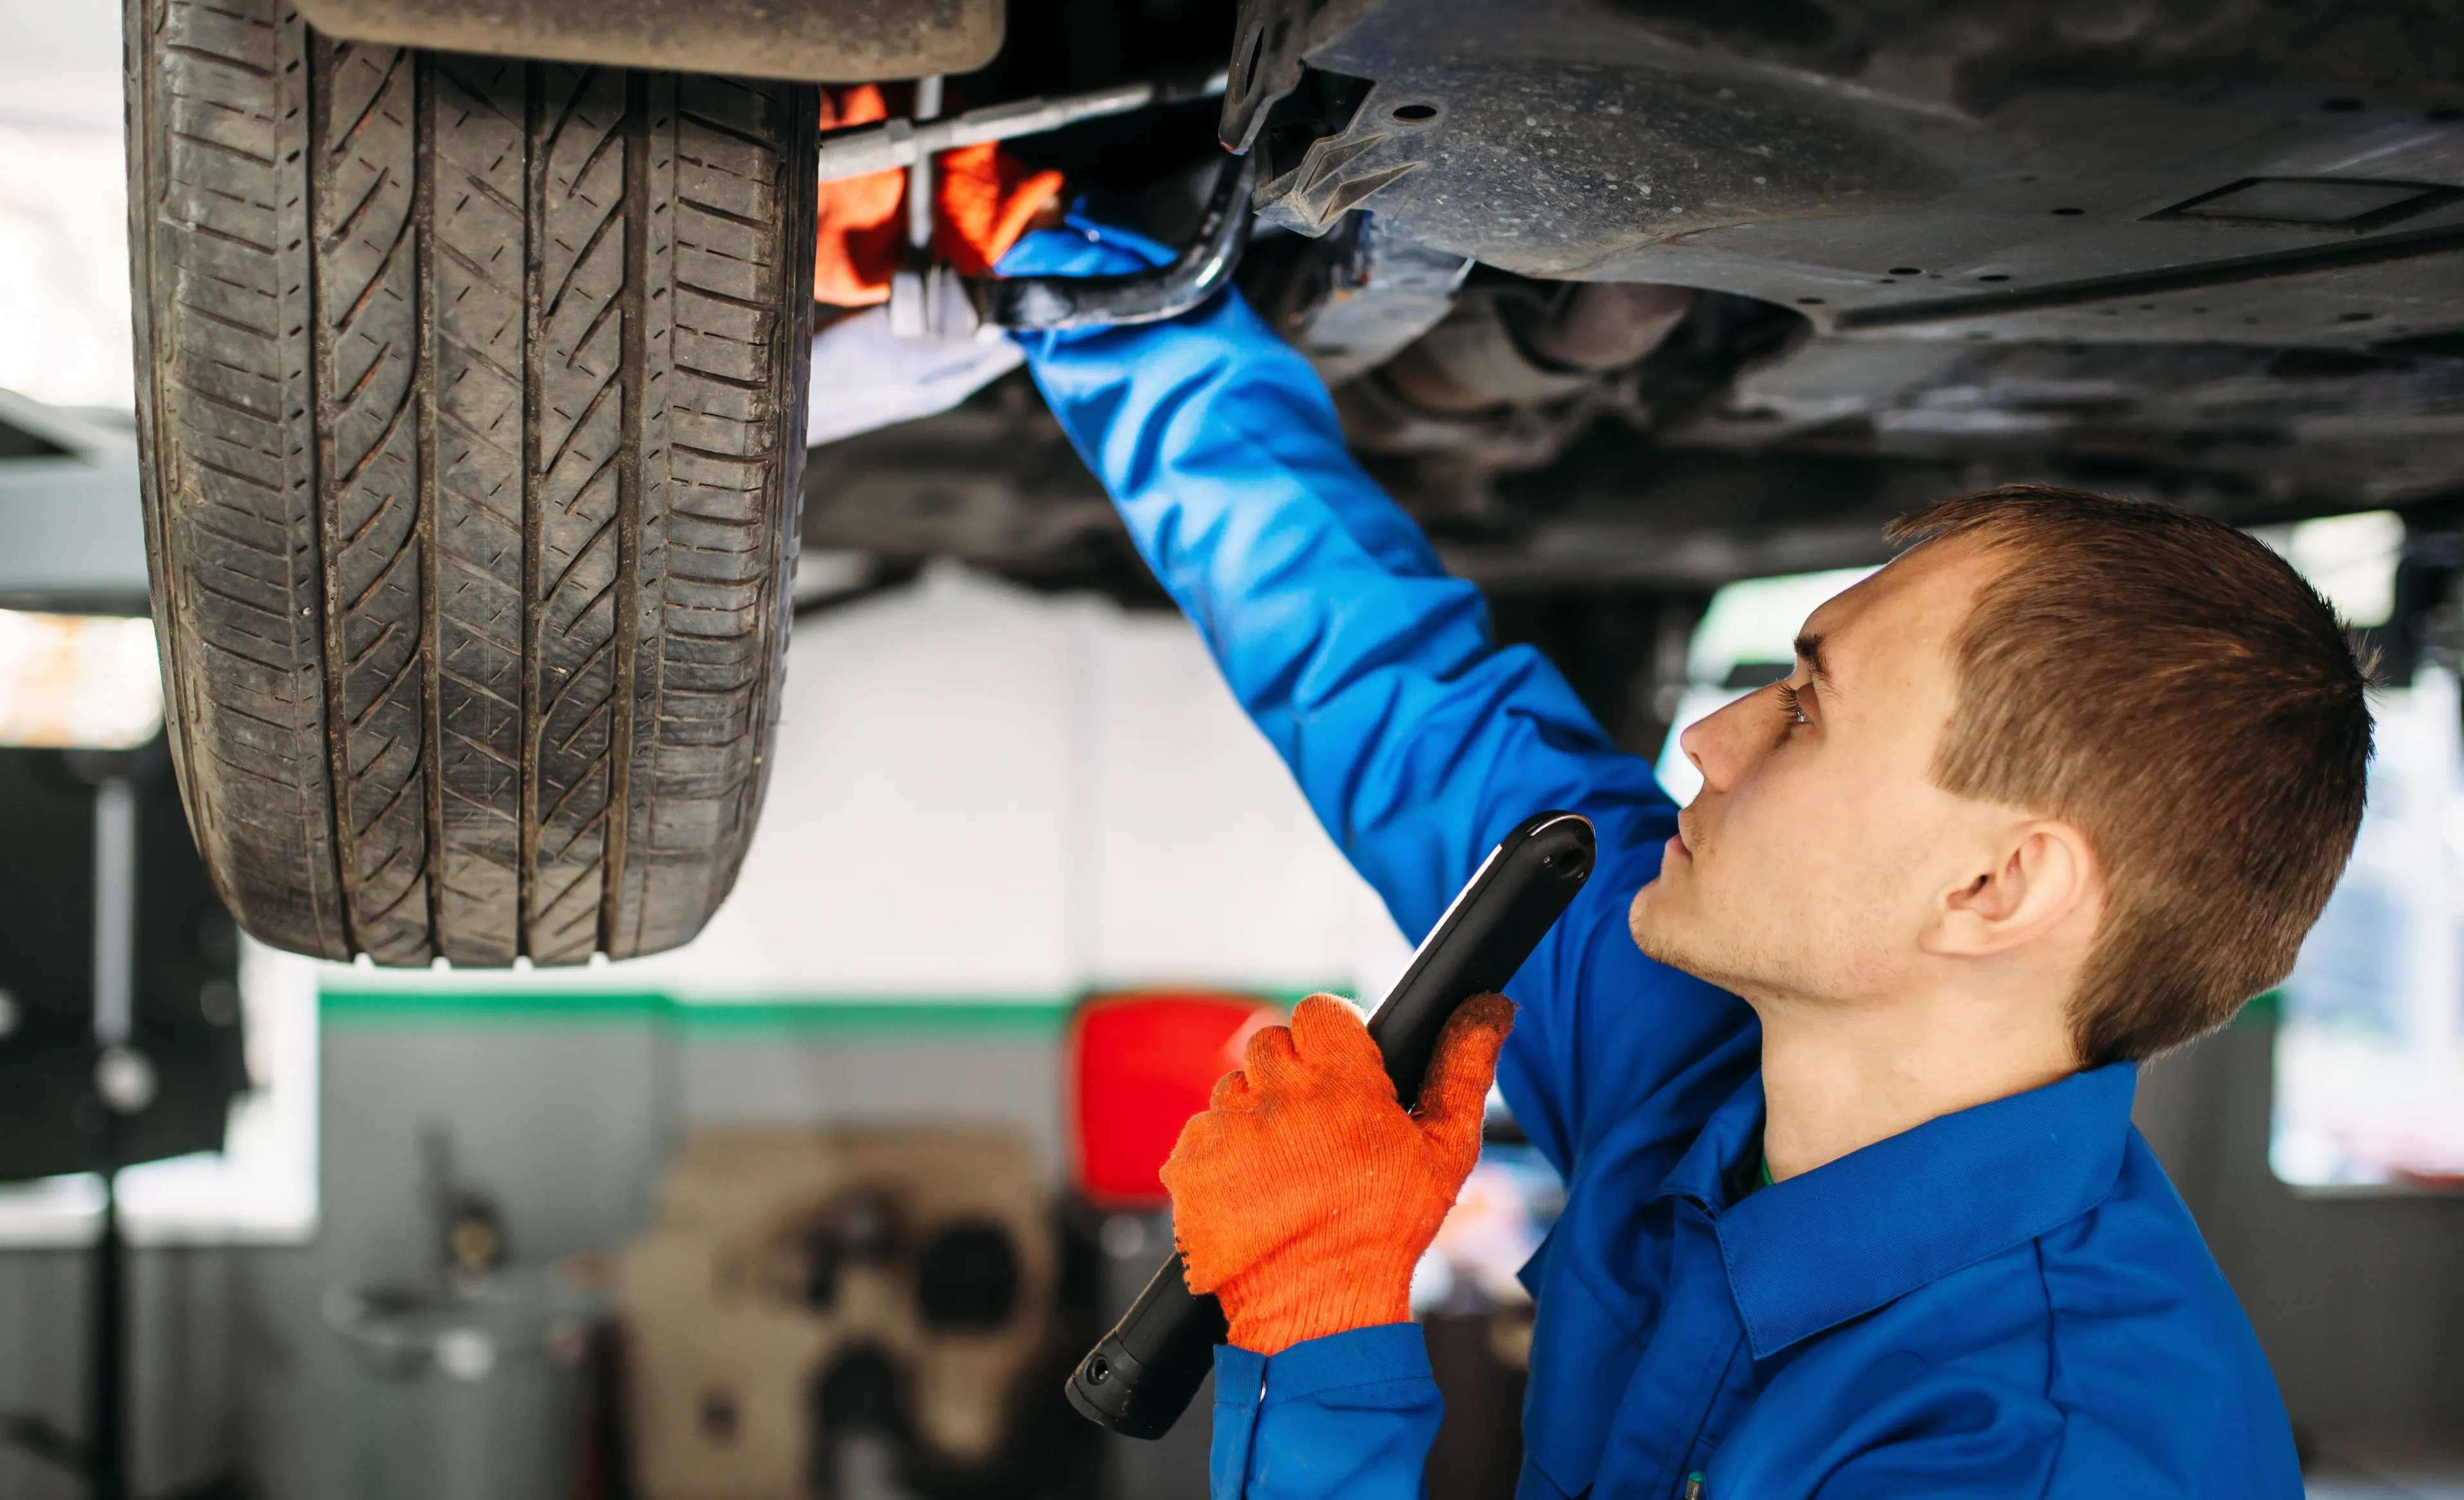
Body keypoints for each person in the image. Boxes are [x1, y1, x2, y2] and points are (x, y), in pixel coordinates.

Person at [836, 171, 2370, 1495]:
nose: (1709, 737)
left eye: (1809, 710)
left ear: (1993, 885)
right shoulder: (1710, 1064)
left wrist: (1322, 1330)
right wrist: (1069, 271)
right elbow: (1394, 692)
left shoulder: (2040, 1456)